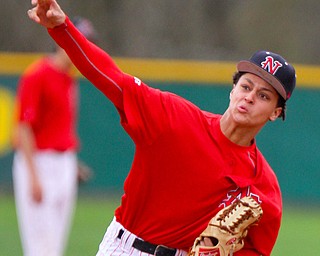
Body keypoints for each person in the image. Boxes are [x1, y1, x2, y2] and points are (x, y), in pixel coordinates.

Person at [27, 1, 296, 255]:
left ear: (276, 113)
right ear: (232, 90)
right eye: (246, 86)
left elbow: (256, 250)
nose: (249, 97)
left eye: (263, 96)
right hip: (126, 248)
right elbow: (112, 78)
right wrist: (62, 29)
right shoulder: (175, 117)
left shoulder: (263, 190)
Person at [12, 13, 96, 256]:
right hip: (39, 162)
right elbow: (24, 127)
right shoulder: (37, 74)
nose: (84, 47)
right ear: (63, 40)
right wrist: (33, 176)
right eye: (81, 40)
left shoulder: (70, 79)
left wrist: (70, 161)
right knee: (39, 246)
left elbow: (60, 126)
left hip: (63, 163)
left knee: (55, 245)